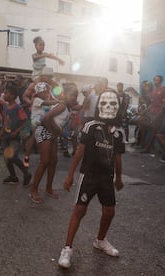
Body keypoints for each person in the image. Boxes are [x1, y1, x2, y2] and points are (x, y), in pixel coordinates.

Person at [58, 89, 125, 269]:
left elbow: (118, 156)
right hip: (88, 175)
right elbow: (79, 152)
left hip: (107, 178)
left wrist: (119, 177)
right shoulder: (90, 126)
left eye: (113, 104)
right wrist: (70, 175)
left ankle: (100, 241)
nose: (109, 107)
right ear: (99, 106)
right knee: (79, 210)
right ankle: (67, 249)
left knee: (109, 212)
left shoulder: (118, 132)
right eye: (105, 103)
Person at [28, 83, 78, 204]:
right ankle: (33, 190)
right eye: (71, 95)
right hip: (44, 131)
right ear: (65, 95)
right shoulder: (61, 105)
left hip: (51, 133)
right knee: (45, 161)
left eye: (76, 95)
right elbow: (46, 119)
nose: (74, 97)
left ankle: (48, 188)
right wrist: (57, 131)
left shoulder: (68, 108)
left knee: (53, 162)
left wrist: (57, 132)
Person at [1, 84, 32, 186]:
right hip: (6, 136)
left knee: (13, 156)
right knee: (7, 157)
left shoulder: (18, 108)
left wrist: (16, 131)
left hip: (14, 137)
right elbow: (5, 119)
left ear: (13, 95)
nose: (4, 94)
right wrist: (2, 130)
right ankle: (13, 177)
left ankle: (26, 173)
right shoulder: (5, 106)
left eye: (6, 93)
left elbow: (24, 121)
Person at [23, 81, 58, 167]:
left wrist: (51, 94)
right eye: (44, 92)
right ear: (39, 93)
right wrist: (59, 101)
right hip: (36, 122)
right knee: (34, 138)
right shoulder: (37, 100)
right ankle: (26, 156)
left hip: (44, 123)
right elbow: (48, 103)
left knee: (42, 140)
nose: (46, 94)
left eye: (47, 92)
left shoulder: (46, 99)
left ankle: (43, 158)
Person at [142, 75, 165, 153]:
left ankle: (148, 148)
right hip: (151, 113)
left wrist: (158, 115)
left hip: (159, 114)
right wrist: (146, 110)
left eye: (157, 80)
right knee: (143, 124)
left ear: (161, 81)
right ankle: (145, 145)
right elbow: (152, 103)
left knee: (154, 130)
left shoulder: (163, 90)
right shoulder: (153, 91)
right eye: (154, 80)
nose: (155, 81)